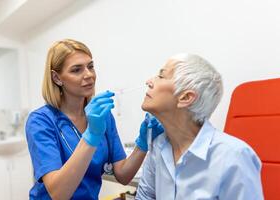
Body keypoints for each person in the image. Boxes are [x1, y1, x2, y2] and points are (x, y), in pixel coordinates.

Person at [25, 39, 163, 200]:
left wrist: (143, 143)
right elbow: (59, 194)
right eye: (76, 70)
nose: (89, 75)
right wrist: (92, 134)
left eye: (90, 66)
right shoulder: (41, 121)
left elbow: (123, 175)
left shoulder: (102, 116)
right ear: (56, 78)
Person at [135, 53, 264, 200]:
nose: (149, 81)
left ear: (185, 97)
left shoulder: (234, 156)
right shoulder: (158, 146)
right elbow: (144, 197)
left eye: (161, 76)